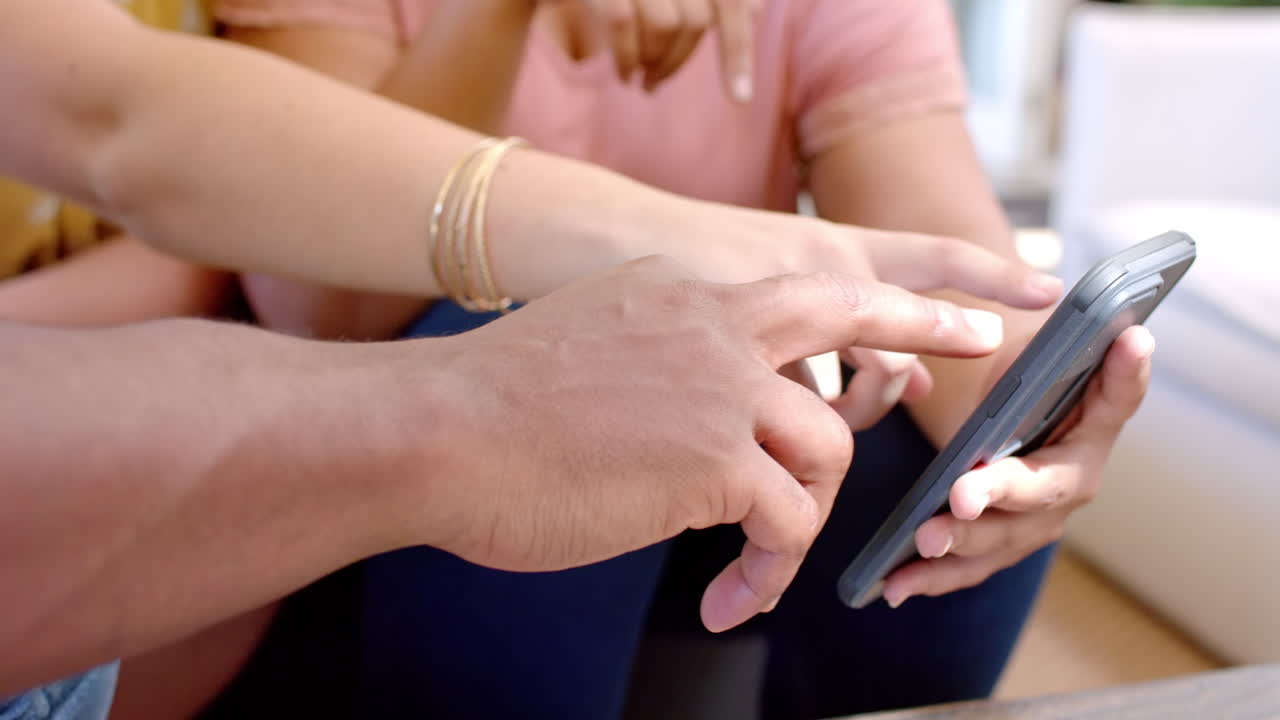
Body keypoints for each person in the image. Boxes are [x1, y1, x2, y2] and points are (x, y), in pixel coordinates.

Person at [0, 2, 1062, 719]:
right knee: (551, 393)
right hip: (373, 423)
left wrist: (1039, 409)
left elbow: (122, 120)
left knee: (933, 459)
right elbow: (295, 284)